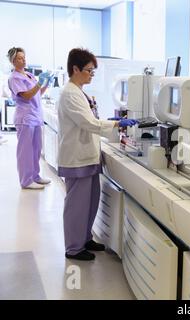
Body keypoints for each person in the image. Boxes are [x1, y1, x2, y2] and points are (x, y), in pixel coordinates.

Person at [58, 48, 138, 261]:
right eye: (89, 70)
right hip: (77, 158)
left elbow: (91, 118)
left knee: (90, 202)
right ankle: (73, 248)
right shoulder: (70, 93)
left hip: (88, 156)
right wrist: (117, 122)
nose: (92, 74)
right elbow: (89, 123)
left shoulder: (80, 91)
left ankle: (84, 238)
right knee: (77, 205)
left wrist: (112, 122)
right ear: (75, 69)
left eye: (93, 71)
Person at [7, 47, 54, 189]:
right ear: (13, 61)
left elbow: (37, 93)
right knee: (25, 151)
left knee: (36, 149)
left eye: (24, 57)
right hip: (25, 118)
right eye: (20, 58)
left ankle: (35, 176)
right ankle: (26, 181)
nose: (24, 60)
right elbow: (26, 95)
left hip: (35, 117)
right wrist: (39, 83)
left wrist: (46, 83)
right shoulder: (14, 77)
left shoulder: (28, 75)